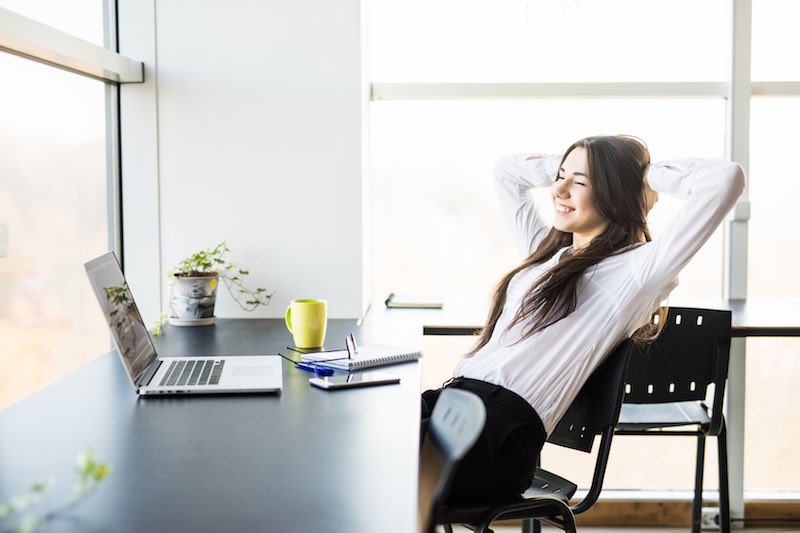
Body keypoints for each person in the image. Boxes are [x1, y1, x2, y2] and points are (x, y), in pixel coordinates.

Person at [421, 135, 745, 504]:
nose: (558, 190)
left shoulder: (635, 273)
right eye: (560, 177)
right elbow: (507, 172)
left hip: (497, 432)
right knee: (356, 438)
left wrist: (645, 177)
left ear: (616, 192)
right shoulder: (547, 255)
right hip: (451, 402)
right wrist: (570, 167)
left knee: (372, 470)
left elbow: (725, 178)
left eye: (579, 182)